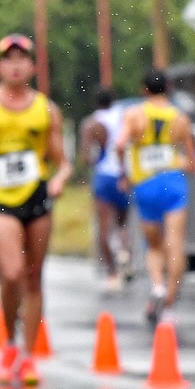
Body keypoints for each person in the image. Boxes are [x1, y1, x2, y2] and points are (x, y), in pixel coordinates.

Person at [0, 33, 71, 387]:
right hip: (3, 201)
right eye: (7, 59)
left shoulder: (46, 110)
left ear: (31, 66)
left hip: (37, 197)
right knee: (11, 272)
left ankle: (27, 357)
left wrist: (59, 179)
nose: (14, 65)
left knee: (33, 276)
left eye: (20, 59)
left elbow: (63, 162)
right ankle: (8, 343)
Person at [116, 69, 195, 327]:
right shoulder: (181, 118)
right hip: (173, 182)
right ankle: (170, 300)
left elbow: (119, 145)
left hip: (145, 183)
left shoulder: (135, 114)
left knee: (154, 244)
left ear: (144, 90)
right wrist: (178, 159)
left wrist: (124, 172)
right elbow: (192, 161)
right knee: (175, 243)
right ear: (168, 88)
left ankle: (158, 287)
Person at [80, 88, 132, 290]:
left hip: (103, 176)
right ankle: (124, 254)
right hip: (123, 174)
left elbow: (86, 156)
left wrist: (94, 159)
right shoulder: (124, 116)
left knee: (103, 226)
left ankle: (112, 272)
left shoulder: (92, 123)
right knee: (122, 224)